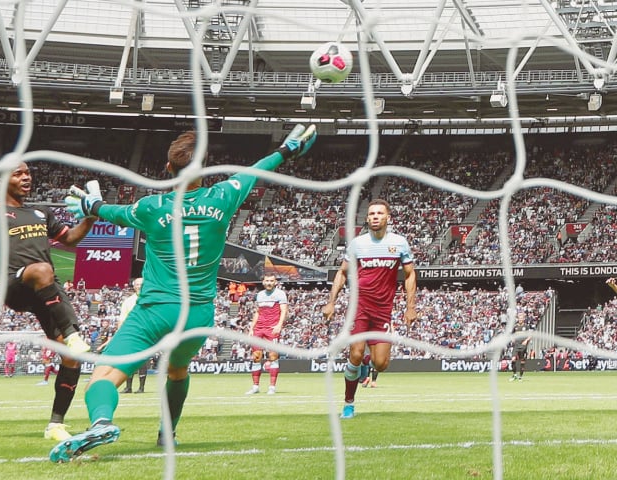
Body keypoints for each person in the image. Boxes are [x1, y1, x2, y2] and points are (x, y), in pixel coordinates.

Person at [48, 123, 317, 462]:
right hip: (199, 314)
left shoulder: (151, 207)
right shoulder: (224, 194)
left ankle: (102, 421)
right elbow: (256, 170)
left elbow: (112, 213)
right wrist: (286, 150)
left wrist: (92, 205)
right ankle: (167, 432)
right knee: (177, 370)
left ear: (167, 169)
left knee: (102, 377)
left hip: (157, 309)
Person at [0, 161, 96, 442]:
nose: (26, 177)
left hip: (46, 290)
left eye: (28, 173)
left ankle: (56, 425)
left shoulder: (41, 212)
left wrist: (91, 218)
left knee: (72, 358)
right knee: (42, 269)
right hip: (16, 285)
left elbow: (70, 239)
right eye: (18, 173)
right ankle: (73, 335)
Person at [322, 198, 417, 419]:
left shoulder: (399, 243)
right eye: (372, 214)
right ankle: (348, 403)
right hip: (360, 308)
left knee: (380, 364)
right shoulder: (357, 244)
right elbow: (343, 273)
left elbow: (410, 274)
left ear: (388, 218)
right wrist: (331, 302)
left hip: (383, 311)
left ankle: (367, 364)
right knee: (355, 354)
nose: (375, 217)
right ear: (367, 218)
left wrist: (410, 306)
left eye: (379, 213)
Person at [245, 274, 288, 395]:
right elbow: (258, 312)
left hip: (272, 328)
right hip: (259, 328)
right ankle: (255, 387)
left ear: (275, 283)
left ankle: (272, 387)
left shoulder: (280, 294)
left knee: (273, 356)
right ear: (263, 282)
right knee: (256, 357)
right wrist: (251, 328)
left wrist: (279, 325)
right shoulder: (260, 295)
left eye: (271, 281)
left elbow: (284, 310)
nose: (269, 283)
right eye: (267, 281)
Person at [117, 278, 148, 394]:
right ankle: (128, 387)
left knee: (142, 360)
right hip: (131, 334)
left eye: (141, 284)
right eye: (137, 284)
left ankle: (141, 387)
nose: (139, 286)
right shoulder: (128, 301)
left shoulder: (150, 299)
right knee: (129, 361)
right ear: (133, 286)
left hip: (145, 334)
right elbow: (122, 319)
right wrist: (120, 334)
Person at [510, 312, 532, 382]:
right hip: (516, 345)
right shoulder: (515, 326)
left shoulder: (526, 326)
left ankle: (520, 376)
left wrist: (526, 341)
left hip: (523, 346)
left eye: (521, 318)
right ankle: (514, 374)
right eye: (519, 318)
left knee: (522, 361)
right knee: (513, 359)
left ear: (523, 319)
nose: (520, 319)